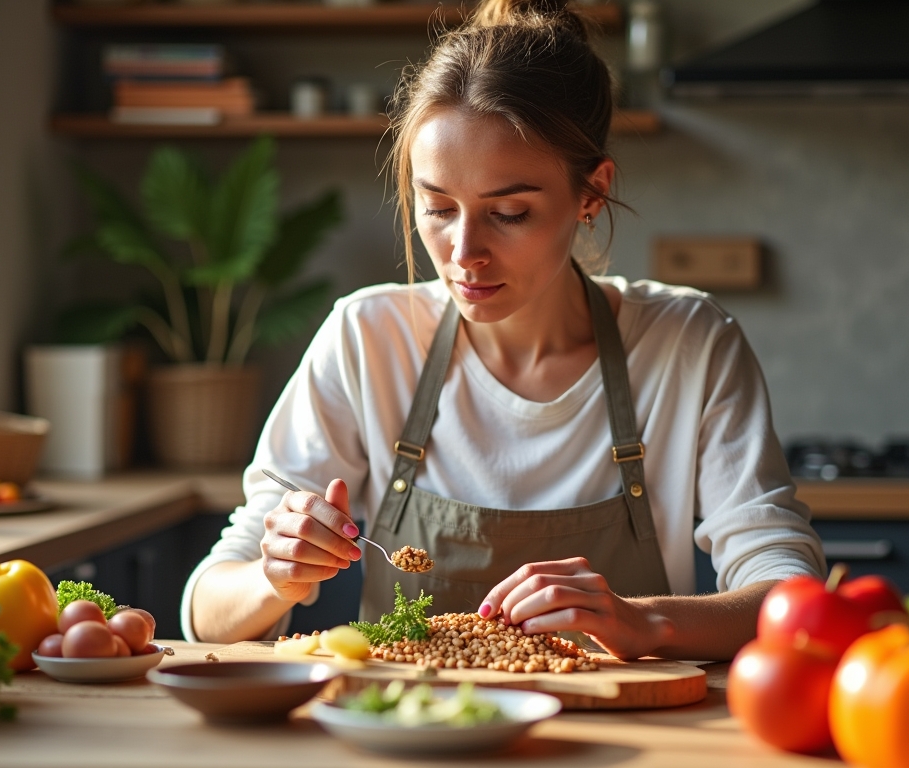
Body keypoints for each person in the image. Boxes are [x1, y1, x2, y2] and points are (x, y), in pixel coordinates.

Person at [180, 0, 824, 661]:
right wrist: (272, 576)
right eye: (436, 207)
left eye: (509, 212)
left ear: (591, 194)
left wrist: (642, 623)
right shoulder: (367, 339)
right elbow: (208, 611)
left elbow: (790, 595)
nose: (464, 251)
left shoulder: (688, 343)